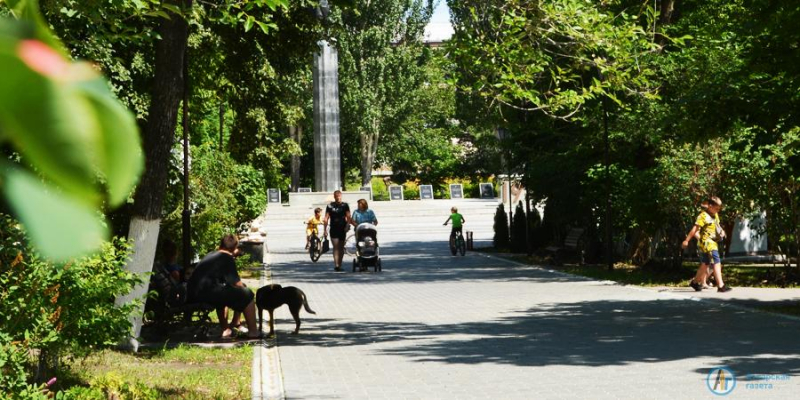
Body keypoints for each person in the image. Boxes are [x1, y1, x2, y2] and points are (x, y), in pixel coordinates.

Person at [187, 234, 260, 339]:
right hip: (206, 293)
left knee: (224, 294)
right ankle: (253, 332)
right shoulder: (226, 257)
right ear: (235, 248)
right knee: (247, 293)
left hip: (193, 292)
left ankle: (226, 329)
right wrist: (243, 286)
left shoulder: (211, 254)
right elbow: (236, 283)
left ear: (220, 245)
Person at [682, 196, 732, 293]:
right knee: (716, 261)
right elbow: (694, 229)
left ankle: (695, 282)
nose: (717, 210)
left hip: (713, 242)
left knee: (705, 263)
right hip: (706, 242)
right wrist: (686, 240)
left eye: (719, 209)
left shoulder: (715, 215)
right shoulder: (703, 216)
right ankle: (721, 285)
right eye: (716, 208)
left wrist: (722, 231)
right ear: (710, 206)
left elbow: (717, 226)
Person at [324, 190, 352, 271]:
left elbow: (348, 217)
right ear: (334, 197)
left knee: (341, 247)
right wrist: (325, 230)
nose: (338, 198)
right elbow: (326, 218)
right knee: (336, 247)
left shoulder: (345, 205)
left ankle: (340, 264)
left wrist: (347, 225)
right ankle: (336, 265)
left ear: (341, 196)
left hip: (342, 228)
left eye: (339, 197)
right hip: (333, 228)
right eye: (337, 197)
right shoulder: (329, 206)